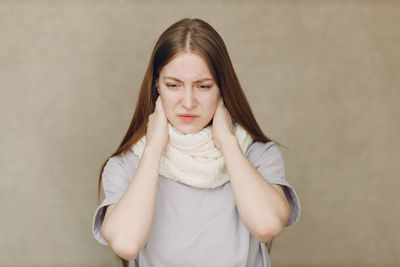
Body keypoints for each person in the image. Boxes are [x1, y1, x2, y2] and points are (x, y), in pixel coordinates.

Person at [92, 18, 300, 267]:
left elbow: (266, 225)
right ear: (156, 85)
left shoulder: (257, 154)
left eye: (203, 86)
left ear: (223, 88)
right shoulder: (127, 164)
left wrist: (227, 141)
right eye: (173, 85)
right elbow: (126, 244)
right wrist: (153, 148)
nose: (188, 102)